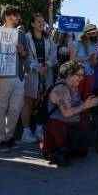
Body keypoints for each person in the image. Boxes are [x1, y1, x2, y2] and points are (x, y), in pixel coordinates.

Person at [40, 60, 98, 166]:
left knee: (82, 152)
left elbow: (77, 105)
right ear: (69, 74)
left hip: (71, 125)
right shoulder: (61, 89)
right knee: (64, 156)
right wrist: (85, 105)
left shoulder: (73, 85)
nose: (82, 78)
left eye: (83, 75)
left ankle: (67, 148)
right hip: (59, 127)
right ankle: (53, 149)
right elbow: (66, 113)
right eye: (79, 75)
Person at [0, 6, 28, 153]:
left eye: (17, 16)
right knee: (0, 108)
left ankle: (9, 136)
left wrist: (22, 51)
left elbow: (26, 55)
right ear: (6, 16)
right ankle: (0, 140)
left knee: (15, 108)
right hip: (1, 77)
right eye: (13, 15)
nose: (16, 18)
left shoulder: (20, 34)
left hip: (18, 76)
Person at [22, 12, 58, 143]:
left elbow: (53, 53)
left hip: (46, 73)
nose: (42, 24)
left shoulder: (48, 38)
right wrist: (37, 67)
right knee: (29, 101)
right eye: (39, 21)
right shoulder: (26, 38)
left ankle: (39, 128)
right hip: (31, 74)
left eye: (43, 21)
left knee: (43, 101)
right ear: (32, 24)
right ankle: (26, 132)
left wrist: (47, 65)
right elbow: (26, 56)